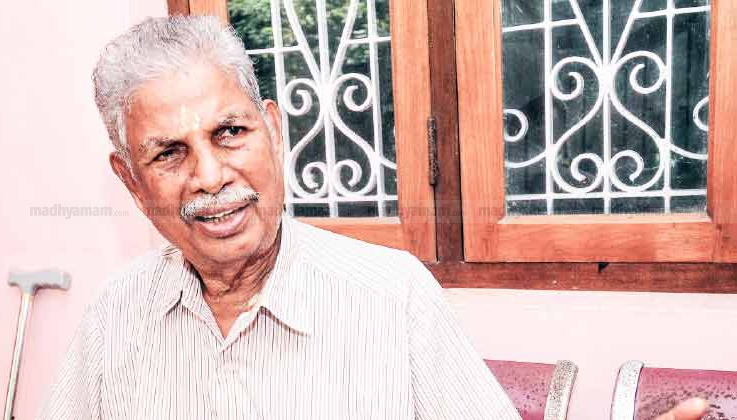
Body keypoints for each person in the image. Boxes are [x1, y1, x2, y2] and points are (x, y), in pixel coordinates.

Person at [37, 15, 708, 420]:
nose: (210, 177)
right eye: (169, 153)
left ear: (273, 130)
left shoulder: (393, 295)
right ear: (131, 181)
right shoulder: (114, 314)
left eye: (230, 132)